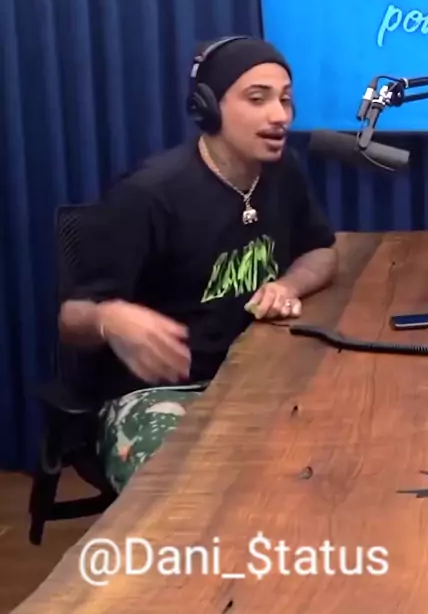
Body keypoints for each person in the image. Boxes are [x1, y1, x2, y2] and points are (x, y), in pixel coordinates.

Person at [59, 35, 338, 491]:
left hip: (258, 375)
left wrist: (288, 286)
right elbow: (70, 318)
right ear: (207, 108)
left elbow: (321, 250)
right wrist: (109, 318)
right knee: (190, 494)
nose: (280, 115)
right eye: (258, 99)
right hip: (159, 394)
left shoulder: (282, 173)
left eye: (286, 99)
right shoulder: (148, 195)